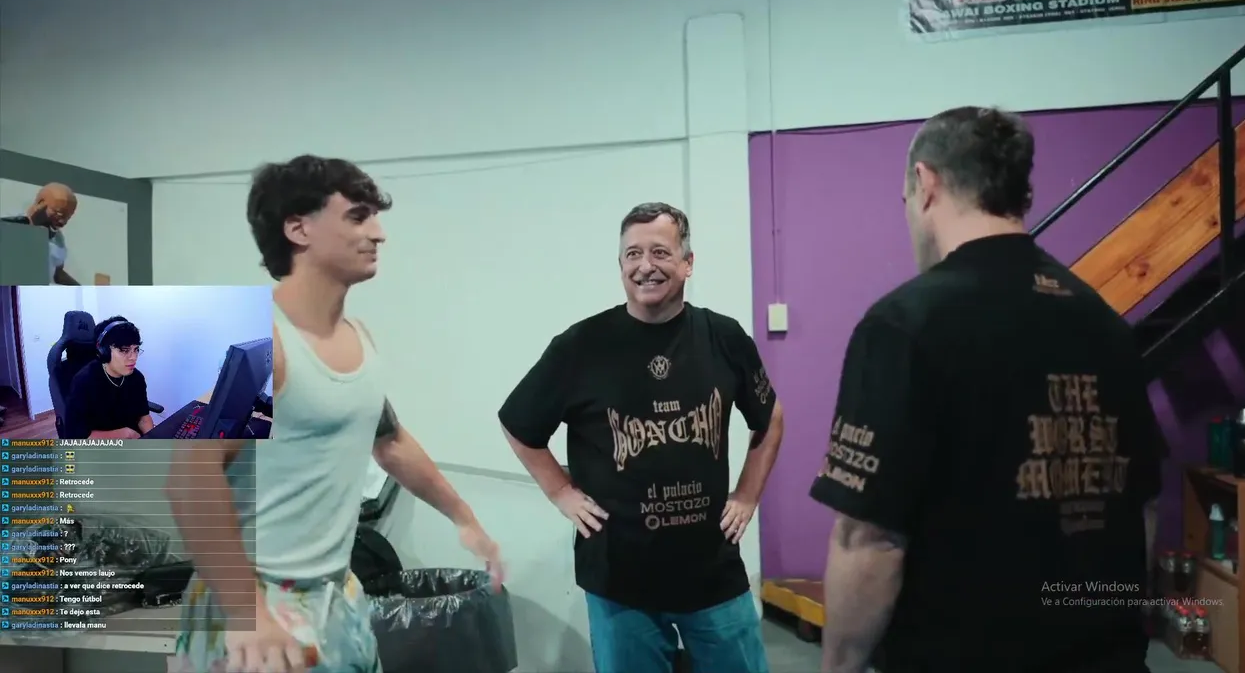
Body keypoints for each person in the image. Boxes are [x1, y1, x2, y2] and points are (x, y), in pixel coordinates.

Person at [809, 107, 1167, 673]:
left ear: (925, 184)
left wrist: (837, 668)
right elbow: (1142, 506)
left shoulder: (902, 325)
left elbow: (869, 540)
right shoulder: (1103, 320)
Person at [166, 155, 504, 673]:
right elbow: (191, 474)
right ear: (298, 229)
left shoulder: (358, 339)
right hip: (256, 605)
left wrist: (464, 518)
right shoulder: (260, 341)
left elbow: (390, 441)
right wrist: (245, 611)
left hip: (336, 595)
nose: (379, 233)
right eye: (357, 217)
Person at [500, 202, 785, 673]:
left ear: (688, 263)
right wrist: (561, 492)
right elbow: (518, 423)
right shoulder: (582, 346)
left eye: (660, 252)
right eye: (633, 254)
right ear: (620, 265)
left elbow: (770, 418)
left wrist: (747, 495)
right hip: (620, 582)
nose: (645, 266)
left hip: (711, 572)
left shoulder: (723, 337)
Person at [63, 316, 150, 440]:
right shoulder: (83, 382)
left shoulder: (137, 378)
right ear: (103, 351)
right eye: (125, 350)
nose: (133, 357)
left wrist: (154, 441)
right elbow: (77, 437)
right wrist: (125, 434)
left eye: (136, 349)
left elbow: (143, 418)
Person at [0, 182, 80, 285]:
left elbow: (58, 274)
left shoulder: (58, 238)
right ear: (41, 204)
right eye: (58, 214)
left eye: (68, 217)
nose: (63, 222)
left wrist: (84, 289)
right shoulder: (9, 227)